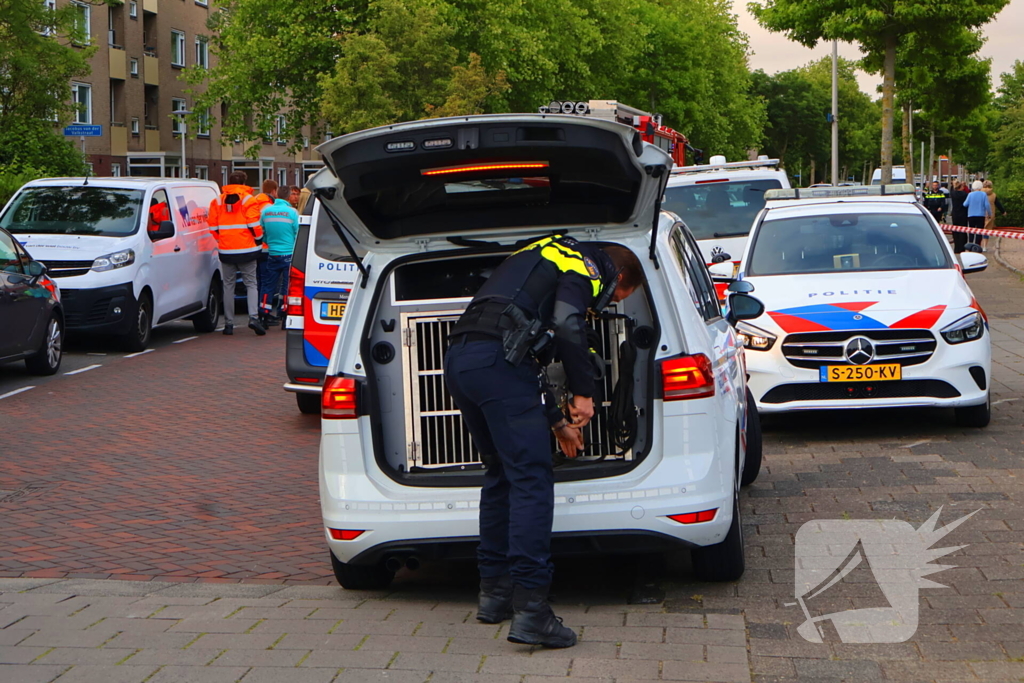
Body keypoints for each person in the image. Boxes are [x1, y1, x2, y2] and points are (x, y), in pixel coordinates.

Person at [443, 235, 643, 649]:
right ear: (617, 276)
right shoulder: (583, 266)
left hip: (462, 361)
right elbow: (568, 323)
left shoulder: (535, 255)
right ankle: (533, 611)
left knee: (499, 472)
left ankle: (494, 593)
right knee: (532, 483)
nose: (606, 304)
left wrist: (556, 423)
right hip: (497, 365)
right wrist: (584, 394)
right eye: (619, 295)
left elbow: (523, 357)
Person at [208, 171, 266, 336]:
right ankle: (253, 318)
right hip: (247, 250)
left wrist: (222, 240)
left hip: (226, 250)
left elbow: (212, 226)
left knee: (228, 286)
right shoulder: (249, 200)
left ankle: (228, 324)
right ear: (244, 182)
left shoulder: (217, 201)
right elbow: (254, 224)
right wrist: (259, 239)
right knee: (251, 284)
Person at [258, 184, 300, 326]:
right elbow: (297, 233)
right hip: (289, 253)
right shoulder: (292, 212)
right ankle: (284, 313)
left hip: (272, 253)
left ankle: (264, 312)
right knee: (287, 285)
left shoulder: (266, 211)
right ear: (288, 196)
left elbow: (261, 233)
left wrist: (268, 241)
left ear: (276, 195)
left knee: (268, 284)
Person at [964, 180, 992, 252]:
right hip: (980, 215)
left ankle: (970, 245)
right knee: (979, 231)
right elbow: (987, 205)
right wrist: (989, 213)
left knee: (971, 231)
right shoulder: (983, 194)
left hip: (971, 215)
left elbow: (965, 204)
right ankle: (977, 246)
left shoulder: (970, 194)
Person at [982, 180, 1007, 253]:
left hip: (981, 213)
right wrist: (1003, 211)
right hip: (990, 214)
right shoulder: (993, 195)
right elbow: (998, 204)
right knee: (987, 230)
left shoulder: (979, 193)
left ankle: (977, 245)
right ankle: (984, 246)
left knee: (979, 230)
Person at [949, 180, 970, 254]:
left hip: (955, 213)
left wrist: (954, 184)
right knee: (963, 231)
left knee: (955, 230)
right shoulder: (965, 195)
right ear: (961, 187)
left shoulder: (953, 194)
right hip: (963, 213)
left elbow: (951, 189)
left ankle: (956, 247)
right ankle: (962, 247)